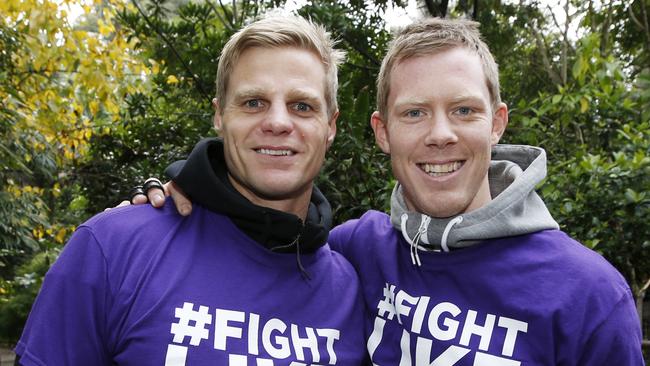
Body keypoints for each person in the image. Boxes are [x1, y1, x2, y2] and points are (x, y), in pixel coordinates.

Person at [136, 17, 644, 364]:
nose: (440, 134)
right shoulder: (358, 249)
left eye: (464, 110)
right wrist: (186, 191)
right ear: (382, 132)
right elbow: (254, 241)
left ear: (497, 124)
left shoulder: (590, 295)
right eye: (414, 113)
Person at [15, 14, 370, 365]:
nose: (277, 122)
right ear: (219, 116)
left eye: (302, 106)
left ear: (330, 126)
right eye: (253, 102)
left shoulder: (353, 292)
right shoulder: (113, 247)